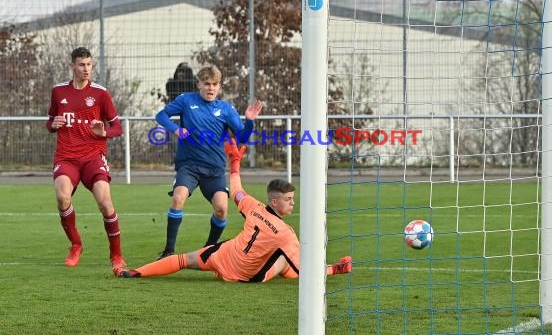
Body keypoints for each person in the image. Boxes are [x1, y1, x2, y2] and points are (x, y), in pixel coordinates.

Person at [114, 141, 352, 281]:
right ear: (275, 202)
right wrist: (329, 269)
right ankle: (338, 268)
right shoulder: (286, 233)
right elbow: (305, 271)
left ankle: (136, 273)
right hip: (247, 276)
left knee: (184, 259)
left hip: (224, 256)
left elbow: (236, 189)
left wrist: (235, 164)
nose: (292, 203)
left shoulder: (253, 206)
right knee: (287, 261)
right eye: (289, 200)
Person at [154, 65, 263, 259]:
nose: (210, 88)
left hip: (214, 169)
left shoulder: (225, 109)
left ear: (219, 87)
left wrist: (250, 121)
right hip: (189, 166)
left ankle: (209, 249)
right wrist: (176, 129)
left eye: (214, 84)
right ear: (199, 85)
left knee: (221, 209)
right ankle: (168, 250)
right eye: (206, 84)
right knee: (178, 198)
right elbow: (161, 115)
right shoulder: (186, 101)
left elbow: (242, 138)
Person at [46, 47, 126, 269]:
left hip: (93, 156)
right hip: (67, 156)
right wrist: (52, 126)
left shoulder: (101, 93)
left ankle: (116, 256)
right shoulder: (58, 92)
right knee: (62, 197)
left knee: (105, 202)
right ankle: (76, 245)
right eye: (81, 65)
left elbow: (117, 127)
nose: (86, 69)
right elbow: (51, 120)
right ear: (72, 66)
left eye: (89, 65)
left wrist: (104, 133)